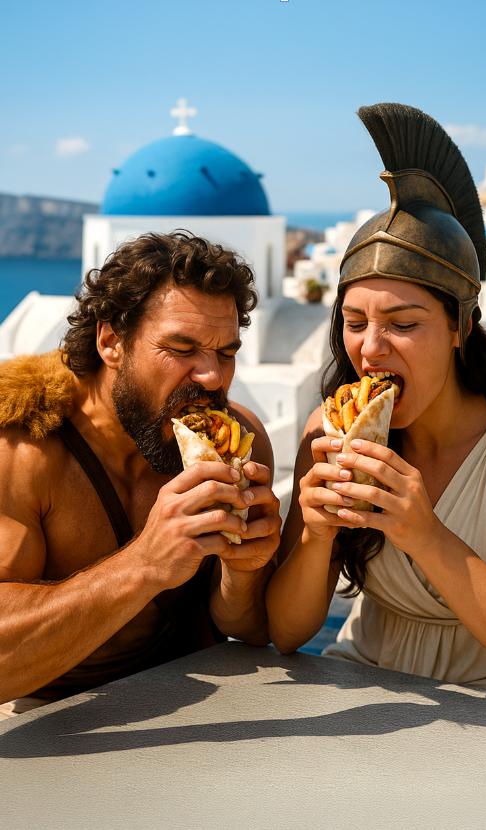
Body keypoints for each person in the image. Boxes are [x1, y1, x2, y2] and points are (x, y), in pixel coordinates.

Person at [266, 103, 486, 704]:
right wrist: (316, 536)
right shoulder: (327, 430)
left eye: (403, 324)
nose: (371, 348)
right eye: (354, 323)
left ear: (460, 326)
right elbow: (287, 633)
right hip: (361, 692)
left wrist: (424, 533)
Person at [0, 230, 281, 718]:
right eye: (182, 347)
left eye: (226, 352)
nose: (212, 377)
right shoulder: (22, 453)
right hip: (56, 722)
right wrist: (145, 565)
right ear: (110, 340)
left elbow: (251, 629)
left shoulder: (239, 438)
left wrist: (244, 569)